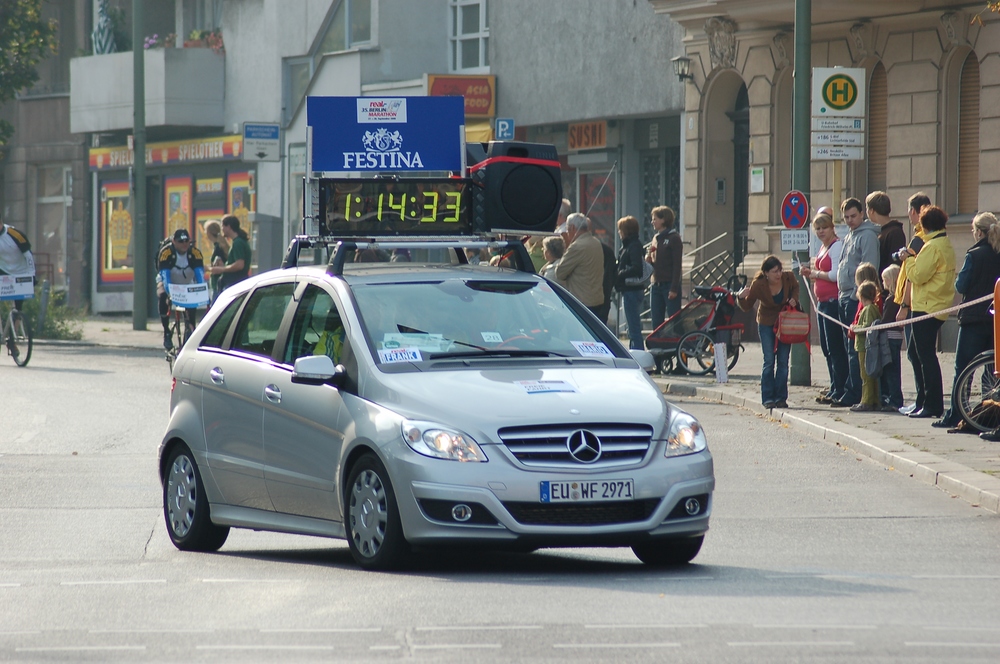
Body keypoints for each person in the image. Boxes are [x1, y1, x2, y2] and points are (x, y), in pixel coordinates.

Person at [934, 212, 1000, 430]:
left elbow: (961, 286)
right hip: (995, 321)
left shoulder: (974, 254)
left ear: (979, 232)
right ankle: (987, 416)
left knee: (964, 369)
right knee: (992, 371)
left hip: (973, 319)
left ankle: (956, 415)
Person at [898, 205, 955, 419]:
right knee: (915, 352)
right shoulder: (944, 243)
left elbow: (918, 275)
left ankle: (932, 404)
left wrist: (908, 258)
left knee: (925, 356)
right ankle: (923, 401)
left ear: (924, 225)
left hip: (927, 306)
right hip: (933, 304)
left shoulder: (932, 247)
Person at [832, 197, 879, 407]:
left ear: (862, 214)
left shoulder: (867, 236)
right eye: (846, 217)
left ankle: (855, 392)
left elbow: (869, 270)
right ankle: (848, 388)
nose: (850, 220)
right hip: (844, 296)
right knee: (847, 347)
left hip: (855, 298)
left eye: (853, 216)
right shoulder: (850, 235)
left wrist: (856, 297)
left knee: (855, 349)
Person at [737, 255, 799, 409]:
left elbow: (796, 287)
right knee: (769, 360)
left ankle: (781, 398)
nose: (778, 274)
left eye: (779, 270)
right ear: (765, 273)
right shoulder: (759, 285)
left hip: (785, 322)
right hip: (766, 323)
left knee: (783, 361)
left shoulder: (788, 278)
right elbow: (746, 306)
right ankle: (768, 398)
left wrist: (794, 299)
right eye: (774, 272)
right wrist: (740, 297)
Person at [800, 210, 846, 405]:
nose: (820, 232)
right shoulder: (822, 248)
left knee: (836, 348)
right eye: (817, 228)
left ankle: (841, 387)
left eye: (824, 228)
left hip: (833, 302)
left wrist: (814, 274)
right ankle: (834, 386)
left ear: (831, 228)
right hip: (822, 303)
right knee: (826, 349)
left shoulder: (836, 246)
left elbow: (835, 275)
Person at [894, 192, 932, 414]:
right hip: (914, 302)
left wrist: (904, 306)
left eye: (910, 210)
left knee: (917, 355)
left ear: (915, 211)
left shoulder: (920, 239)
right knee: (917, 354)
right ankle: (921, 401)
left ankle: (923, 401)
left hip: (914, 304)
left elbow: (912, 275)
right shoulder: (920, 236)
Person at [157, 228, 206, 349]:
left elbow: (200, 277)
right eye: (180, 241)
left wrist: (203, 294)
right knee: (162, 295)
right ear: (174, 242)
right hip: (169, 282)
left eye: (186, 241)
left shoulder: (195, 253)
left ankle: (189, 335)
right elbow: (165, 277)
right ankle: (166, 331)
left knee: (191, 309)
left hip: (186, 283)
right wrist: (169, 294)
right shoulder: (166, 253)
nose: (184, 244)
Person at [554, 213, 605, 318]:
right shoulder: (596, 243)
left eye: (567, 229)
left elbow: (559, 273)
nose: (567, 233)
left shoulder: (577, 247)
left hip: (581, 302)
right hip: (597, 299)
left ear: (572, 228)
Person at [647, 205, 683, 331]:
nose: (652, 222)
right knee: (657, 320)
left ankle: (679, 344)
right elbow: (655, 264)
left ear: (663, 220)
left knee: (674, 320)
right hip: (656, 284)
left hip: (669, 285)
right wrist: (650, 261)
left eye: (655, 219)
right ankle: (658, 347)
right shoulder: (655, 239)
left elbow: (677, 265)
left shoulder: (674, 238)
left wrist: (674, 288)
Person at [850, 281, 883, 412]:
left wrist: (854, 327)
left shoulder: (868, 309)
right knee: (871, 374)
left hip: (864, 346)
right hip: (867, 346)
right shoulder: (873, 308)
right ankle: (874, 399)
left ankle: (866, 401)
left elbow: (867, 327)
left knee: (866, 375)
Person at [614, 215, 646, 350]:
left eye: (620, 230)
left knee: (633, 328)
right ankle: (635, 352)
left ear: (626, 230)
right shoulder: (629, 245)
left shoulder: (633, 246)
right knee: (631, 327)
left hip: (632, 290)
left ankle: (638, 354)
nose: (619, 233)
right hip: (629, 290)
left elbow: (636, 268)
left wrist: (619, 274)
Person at [879, 265, 905, 412]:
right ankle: (894, 397)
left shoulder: (891, 300)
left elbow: (886, 321)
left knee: (891, 370)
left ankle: (894, 399)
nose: (883, 283)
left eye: (884, 280)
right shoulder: (898, 298)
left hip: (889, 337)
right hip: (896, 337)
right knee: (894, 368)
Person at [866, 191, 906, 275]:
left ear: (871, 211)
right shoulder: (879, 232)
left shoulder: (894, 233)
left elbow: (895, 264)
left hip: (888, 283)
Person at [209, 215, 251, 291]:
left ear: (228, 227)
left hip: (235, 283)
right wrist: (224, 265)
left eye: (222, 226)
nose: (221, 230)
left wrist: (222, 269)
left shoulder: (238, 243)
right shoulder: (239, 241)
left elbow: (239, 265)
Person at [0, 221, 34, 314]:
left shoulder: (15, 234)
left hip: (20, 271)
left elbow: (28, 255)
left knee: (18, 308)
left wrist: (32, 275)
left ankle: (16, 326)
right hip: (4, 269)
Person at [203, 219, 228, 304]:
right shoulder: (220, 245)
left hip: (218, 284)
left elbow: (217, 266)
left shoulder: (218, 248)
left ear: (209, 232)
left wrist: (206, 268)